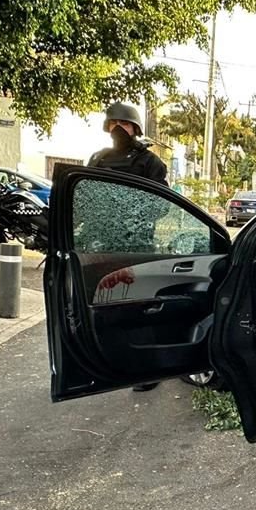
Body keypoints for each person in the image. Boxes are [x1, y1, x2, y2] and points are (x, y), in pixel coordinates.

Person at [89, 102, 168, 391]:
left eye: (124, 124)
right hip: (102, 245)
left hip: (138, 245)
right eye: (113, 124)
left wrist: (132, 217)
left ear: (135, 128)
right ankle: (111, 362)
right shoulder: (98, 159)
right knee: (106, 307)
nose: (118, 129)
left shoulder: (150, 163)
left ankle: (147, 370)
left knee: (140, 307)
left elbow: (160, 206)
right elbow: (89, 201)